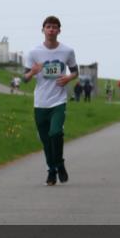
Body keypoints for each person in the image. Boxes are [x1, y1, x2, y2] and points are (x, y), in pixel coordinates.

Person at [22, 16, 79, 186]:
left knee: (56, 132)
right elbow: (24, 79)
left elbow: (75, 71)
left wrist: (68, 78)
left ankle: (59, 164)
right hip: (40, 102)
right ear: (43, 30)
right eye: (48, 27)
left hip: (58, 100)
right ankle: (51, 170)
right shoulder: (34, 52)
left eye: (55, 27)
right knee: (46, 140)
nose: (51, 30)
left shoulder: (67, 51)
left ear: (59, 31)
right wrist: (32, 72)